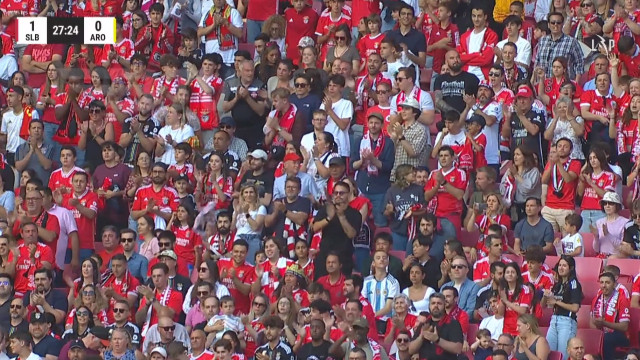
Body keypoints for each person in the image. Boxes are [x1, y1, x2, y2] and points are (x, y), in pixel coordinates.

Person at [313, 181, 361, 278]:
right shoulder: (326, 209)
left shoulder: (355, 214)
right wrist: (329, 218)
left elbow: (351, 234)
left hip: (344, 258)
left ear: (349, 194)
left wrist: (341, 216)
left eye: (341, 193)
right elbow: (315, 227)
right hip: (324, 257)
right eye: (336, 193)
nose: (338, 195)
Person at [541, 255, 582, 359]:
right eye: (559, 265)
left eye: (564, 265)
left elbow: (575, 308)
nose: (561, 268)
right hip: (554, 320)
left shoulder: (574, 283)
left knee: (563, 356)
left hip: (567, 322)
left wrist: (557, 302)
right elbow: (544, 306)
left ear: (571, 268)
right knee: (549, 354)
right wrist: (545, 296)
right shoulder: (557, 285)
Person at [407, 293, 464, 360]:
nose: (436, 306)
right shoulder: (424, 324)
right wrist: (421, 336)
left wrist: (437, 340)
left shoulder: (453, 323)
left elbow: (458, 349)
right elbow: (410, 350)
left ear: (444, 305)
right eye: (433, 303)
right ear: (429, 306)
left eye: (439, 303)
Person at [534, 12, 585, 81]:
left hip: (564, 85)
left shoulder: (571, 41)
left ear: (562, 24)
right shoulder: (543, 40)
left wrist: (576, 84)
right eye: (553, 22)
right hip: (543, 84)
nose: (555, 25)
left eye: (558, 23)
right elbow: (537, 62)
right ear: (548, 25)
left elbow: (580, 63)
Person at [457, 6, 499, 81]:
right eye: (474, 16)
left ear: (485, 17)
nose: (476, 19)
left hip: (482, 78)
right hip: (464, 76)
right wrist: (477, 55)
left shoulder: (492, 35)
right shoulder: (464, 36)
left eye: (479, 16)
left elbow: (485, 60)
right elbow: (459, 58)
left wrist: (466, 57)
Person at [592, 192, 629, 258]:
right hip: (602, 257)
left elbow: (624, 248)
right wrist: (596, 237)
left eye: (611, 203)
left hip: (617, 258)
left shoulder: (625, 222)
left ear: (617, 205)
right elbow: (596, 249)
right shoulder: (599, 222)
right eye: (605, 203)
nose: (607, 206)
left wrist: (608, 235)